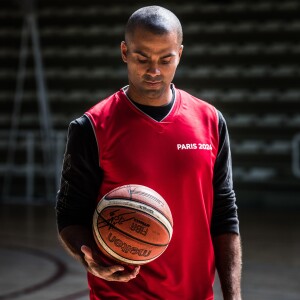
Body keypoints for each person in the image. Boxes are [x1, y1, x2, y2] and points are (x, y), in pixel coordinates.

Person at [56, 5, 242, 300]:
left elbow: (224, 214)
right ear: (124, 52)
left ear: (180, 53)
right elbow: (69, 214)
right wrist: (89, 259)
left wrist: (233, 296)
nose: (154, 70)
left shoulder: (211, 121)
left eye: (166, 59)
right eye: (142, 58)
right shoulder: (92, 127)